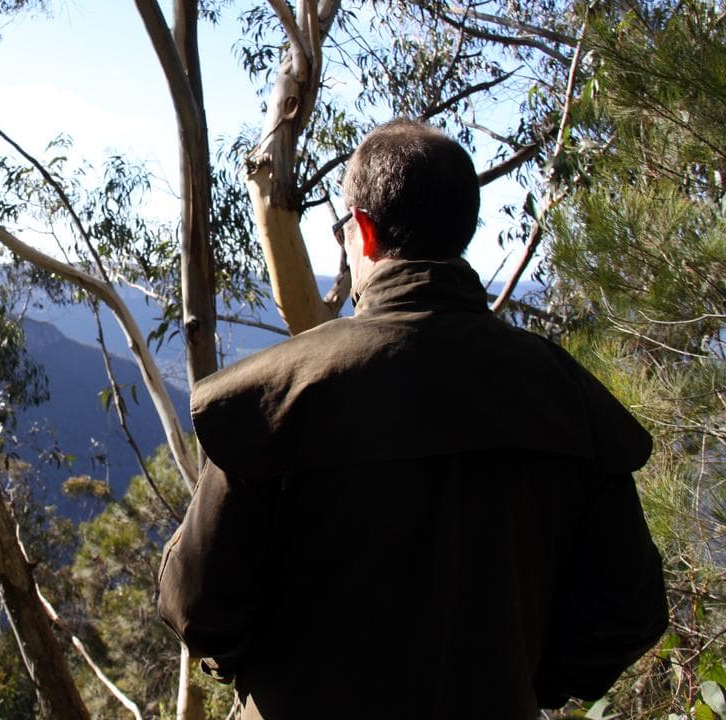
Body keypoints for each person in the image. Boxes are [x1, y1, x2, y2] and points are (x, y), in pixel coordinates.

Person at [157, 118, 668, 719]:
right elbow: (628, 611)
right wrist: (524, 684)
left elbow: (196, 604)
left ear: (363, 232)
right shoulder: (567, 399)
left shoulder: (276, 397)